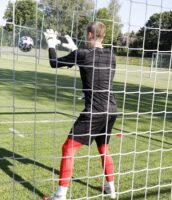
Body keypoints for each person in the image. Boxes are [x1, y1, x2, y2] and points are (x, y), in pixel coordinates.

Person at [43, 21, 117, 200]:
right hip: (112, 109)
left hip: (95, 111)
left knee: (68, 148)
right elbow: (93, 64)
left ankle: (60, 195)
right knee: (103, 148)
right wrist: (75, 50)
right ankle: (111, 190)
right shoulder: (111, 55)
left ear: (90, 35)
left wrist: (52, 44)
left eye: (86, 35)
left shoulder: (82, 54)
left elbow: (54, 62)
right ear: (103, 36)